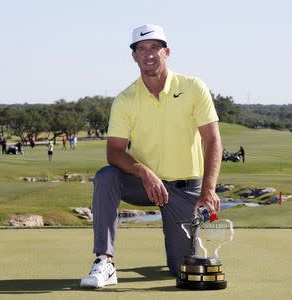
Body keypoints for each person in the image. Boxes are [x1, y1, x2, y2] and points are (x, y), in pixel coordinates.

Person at [80, 24, 222, 289]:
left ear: (166, 52)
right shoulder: (125, 99)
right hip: (145, 185)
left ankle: (175, 250)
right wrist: (145, 173)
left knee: (180, 267)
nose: (148, 54)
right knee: (107, 176)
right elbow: (114, 151)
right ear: (134, 56)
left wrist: (208, 190)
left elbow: (212, 140)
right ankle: (104, 260)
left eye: (155, 48)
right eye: (141, 49)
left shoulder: (193, 87)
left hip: (184, 188)